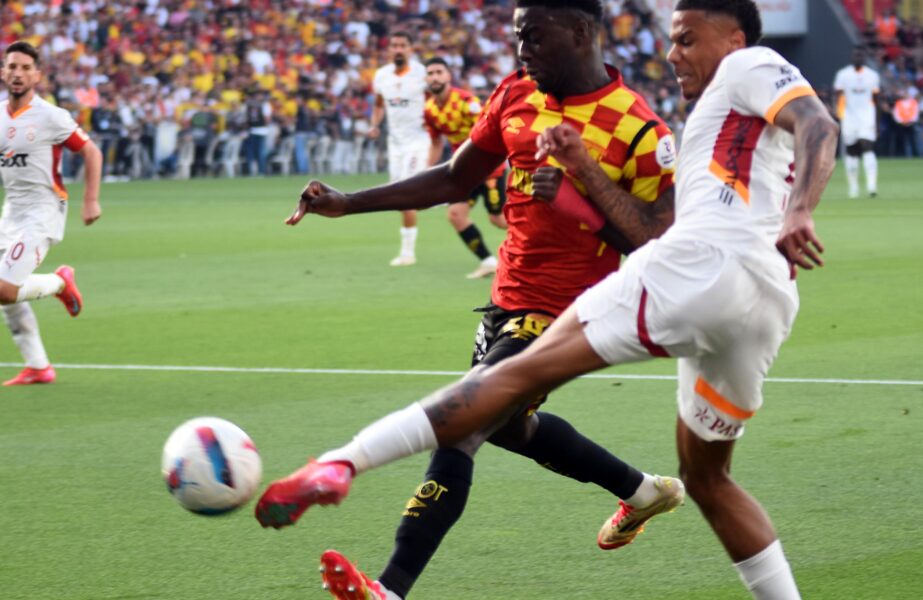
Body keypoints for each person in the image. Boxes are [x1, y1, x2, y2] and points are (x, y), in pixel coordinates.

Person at [258, 1, 840, 599]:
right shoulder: (518, 94)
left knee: (471, 420)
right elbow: (457, 177)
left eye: (533, 36)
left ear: (580, 31)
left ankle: (382, 568)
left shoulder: (643, 127)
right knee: (524, 430)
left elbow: (655, 238)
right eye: (518, 36)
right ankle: (642, 491)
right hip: (517, 297)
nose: (522, 49)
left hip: (572, 303)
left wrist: (582, 190)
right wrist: (350, 202)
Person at [0, 41, 102, 386]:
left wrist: (91, 200)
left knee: (5, 289)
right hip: (11, 211)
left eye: (26, 68)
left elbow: (91, 152)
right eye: (12, 66)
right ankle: (38, 366)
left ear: (37, 75)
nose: (18, 73)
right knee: (7, 296)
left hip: (43, 211)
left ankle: (60, 282)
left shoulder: (50, 116)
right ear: (3, 72)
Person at [423, 57, 507, 280]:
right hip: (464, 171)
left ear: (448, 76)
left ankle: (543, 239)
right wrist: (427, 170)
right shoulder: (430, 109)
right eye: (430, 73)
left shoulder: (467, 102)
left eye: (439, 72)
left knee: (498, 219)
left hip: (488, 168)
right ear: (426, 79)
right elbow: (436, 143)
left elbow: (490, 130)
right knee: (455, 214)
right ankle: (488, 262)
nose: (434, 77)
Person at [370, 32, 431, 267]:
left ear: (410, 49)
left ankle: (407, 253)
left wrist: (433, 123)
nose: (398, 49)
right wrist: (375, 125)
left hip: (418, 140)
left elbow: (434, 100)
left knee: (405, 194)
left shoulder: (422, 74)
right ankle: (435, 196)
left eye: (402, 45)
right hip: (395, 143)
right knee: (399, 197)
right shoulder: (381, 75)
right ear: (389, 49)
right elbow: (378, 105)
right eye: (394, 45)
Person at [833, 47, 880, 198]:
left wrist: (877, 121)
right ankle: (853, 188)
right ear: (852, 57)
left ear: (864, 57)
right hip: (849, 116)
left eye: (860, 55)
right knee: (851, 149)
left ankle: (872, 186)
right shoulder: (843, 74)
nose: (858, 58)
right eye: (855, 55)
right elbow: (837, 95)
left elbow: (876, 99)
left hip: (867, 115)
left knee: (867, 145)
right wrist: (838, 114)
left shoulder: (872, 75)